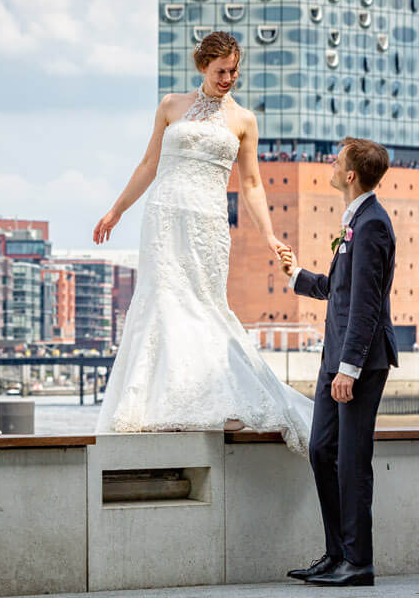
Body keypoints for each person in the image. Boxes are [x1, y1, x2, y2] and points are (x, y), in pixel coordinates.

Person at [91, 31, 311, 452]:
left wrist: (268, 235)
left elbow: (251, 184)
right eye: (220, 71)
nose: (227, 79)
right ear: (203, 67)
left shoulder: (244, 120)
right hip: (163, 216)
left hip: (208, 222)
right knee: (162, 300)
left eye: (234, 71)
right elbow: (148, 164)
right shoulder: (170, 105)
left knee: (203, 304)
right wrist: (116, 211)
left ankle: (216, 397)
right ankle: (159, 405)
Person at [277, 137, 399, 588]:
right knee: (322, 450)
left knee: (352, 461)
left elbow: (366, 303)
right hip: (335, 359)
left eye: (336, 160)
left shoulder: (372, 225)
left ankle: (358, 562)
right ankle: (336, 555)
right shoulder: (356, 222)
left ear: (350, 175)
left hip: (358, 364)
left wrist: (349, 369)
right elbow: (339, 288)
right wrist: (296, 274)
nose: (330, 165)